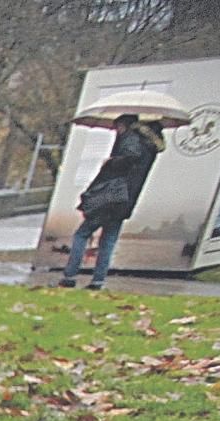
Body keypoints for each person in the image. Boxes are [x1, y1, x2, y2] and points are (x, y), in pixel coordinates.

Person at [62, 113, 164, 290]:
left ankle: (70, 276)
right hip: (126, 199)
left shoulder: (131, 139)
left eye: (117, 127)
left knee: (82, 234)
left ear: (123, 125)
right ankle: (98, 280)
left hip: (109, 195)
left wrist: (110, 162)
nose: (116, 131)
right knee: (108, 240)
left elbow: (129, 157)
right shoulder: (150, 146)